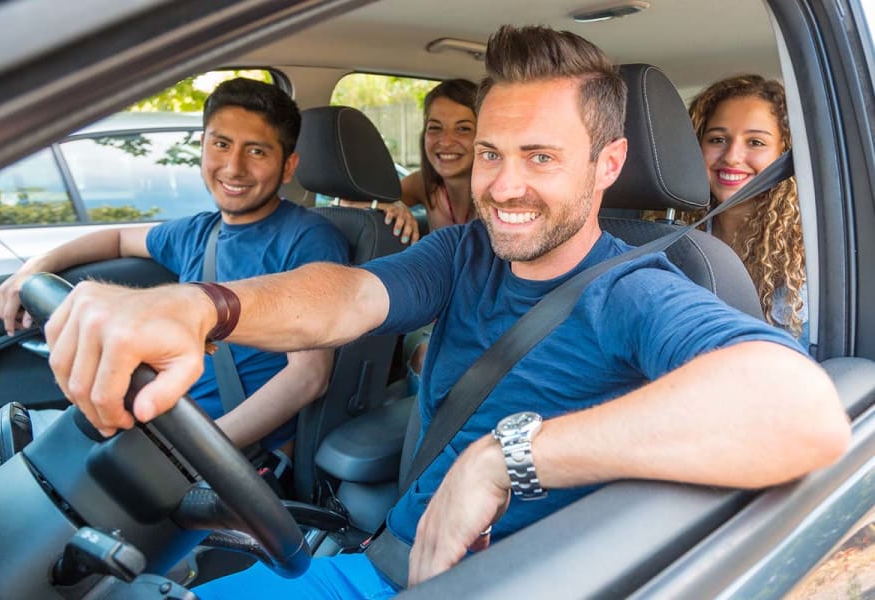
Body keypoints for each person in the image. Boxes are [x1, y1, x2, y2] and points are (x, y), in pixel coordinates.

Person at [42, 26, 850, 597]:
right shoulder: (467, 252)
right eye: (491, 153)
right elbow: (348, 297)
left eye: (540, 157)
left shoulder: (637, 288)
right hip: (377, 561)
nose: (501, 186)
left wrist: (509, 456)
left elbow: (803, 410)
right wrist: (202, 305)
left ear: (607, 165)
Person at [0, 77, 349, 463]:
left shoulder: (309, 239)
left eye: (257, 151)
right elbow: (116, 239)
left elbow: (308, 377)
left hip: (226, 454)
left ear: (287, 166)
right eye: (221, 144)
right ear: (203, 147)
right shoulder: (198, 232)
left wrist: (199, 450)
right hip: (160, 426)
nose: (234, 167)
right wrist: (36, 266)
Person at [689, 75, 808, 347]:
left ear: (785, 154)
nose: (731, 156)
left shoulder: (810, 259)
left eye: (755, 142)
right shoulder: (668, 241)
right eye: (717, 139)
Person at [336, 78, 478, 245]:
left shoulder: (500, 192)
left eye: (463, 129)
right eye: (435, 127)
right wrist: (390, 205)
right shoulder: (424, 184)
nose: (446, 141)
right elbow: (346, 203)